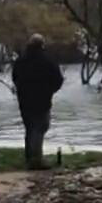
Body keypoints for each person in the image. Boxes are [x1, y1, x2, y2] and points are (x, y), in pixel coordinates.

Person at [11, 34, 66, 169]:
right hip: (43, 99)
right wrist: (50, 91)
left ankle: (30, 156)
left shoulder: (21, 60)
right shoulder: (48, 60)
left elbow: (15, 78)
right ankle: (36, 158)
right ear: (42, 44)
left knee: (30, 127)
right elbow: (58, 79)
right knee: (41, 126)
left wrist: (20, 89)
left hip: (24, 99)